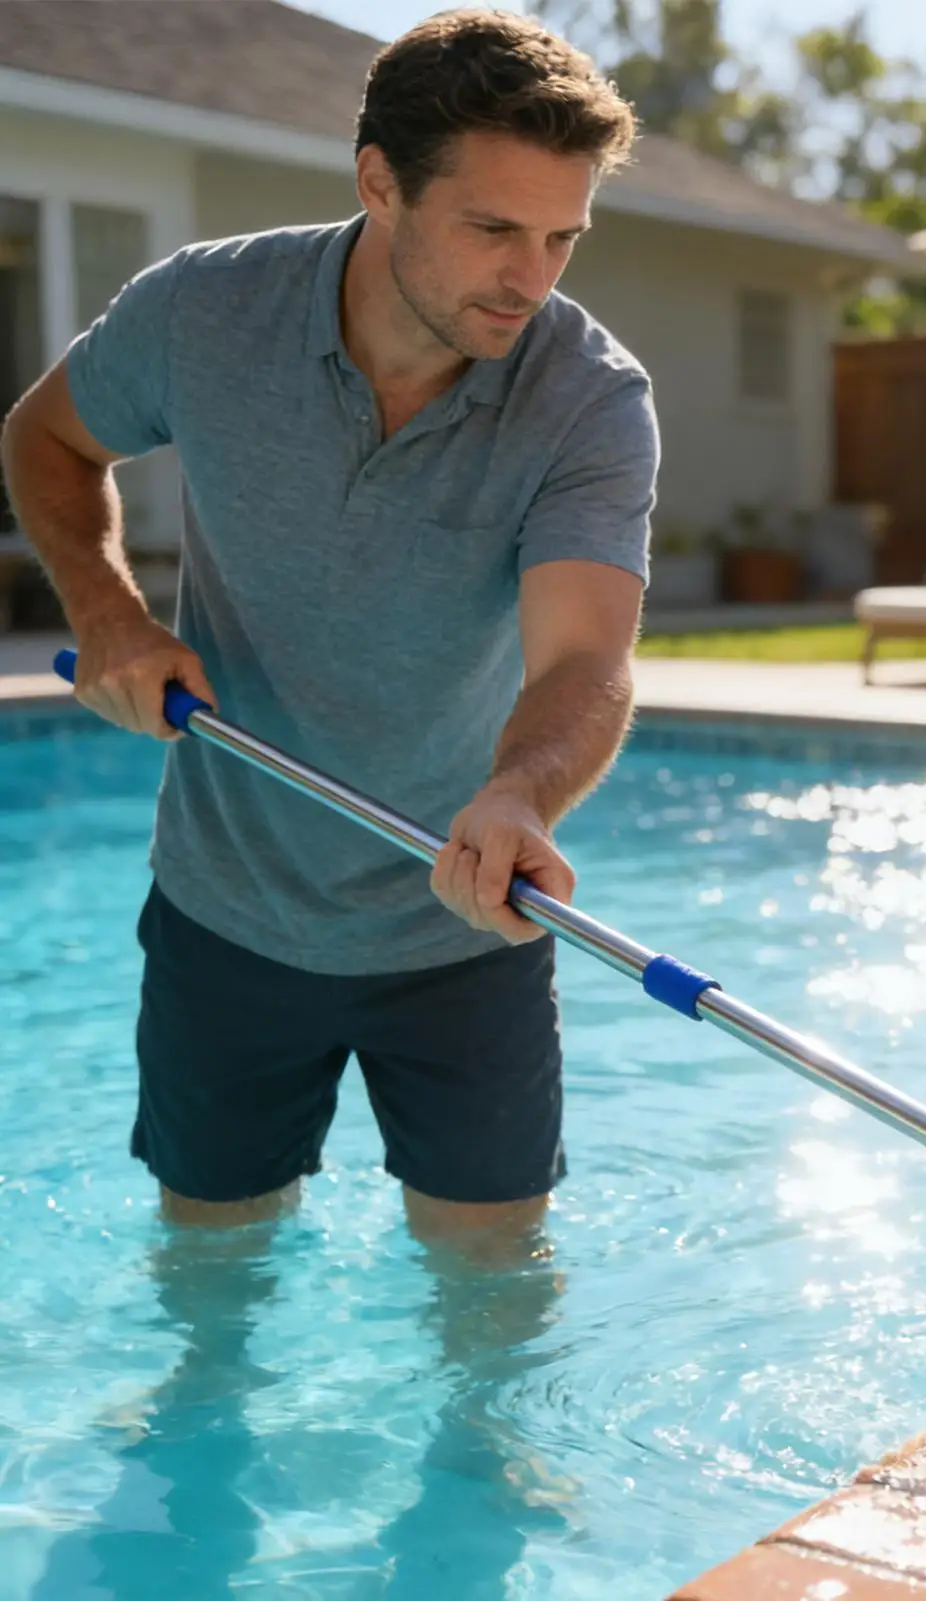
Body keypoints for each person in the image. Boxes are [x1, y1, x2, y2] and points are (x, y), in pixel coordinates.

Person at [0, 9, 657, 1252]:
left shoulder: (587, 396)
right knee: (214, 1271)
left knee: (493, 1298)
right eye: (493, 229)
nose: (533, 277)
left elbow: (584, 656)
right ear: (378, 183)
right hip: (225, 911)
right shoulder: (204, 310)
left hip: (465, 916)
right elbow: (45, 435)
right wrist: (108, 611)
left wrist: (520, 793)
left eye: (562, 237)